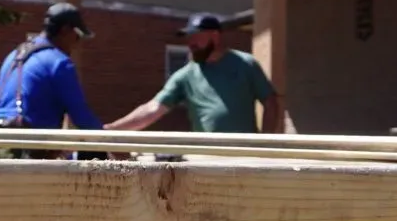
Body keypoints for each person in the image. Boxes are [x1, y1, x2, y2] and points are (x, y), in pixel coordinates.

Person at [110, 13, 285, 134]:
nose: (191, 43)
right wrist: (111, 129)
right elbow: (153, 109)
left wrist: (265, 141)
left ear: (215, 36)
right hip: (206, 155)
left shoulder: (246, 64)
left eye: (196, 36)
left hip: (246, 154)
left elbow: (270, 102)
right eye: (189, 37)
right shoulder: (186, 76)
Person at [0, 3, 104, 151]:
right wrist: (111, 144)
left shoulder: (13, 56)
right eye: (77, 36)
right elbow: (83, 119)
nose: (77, 44)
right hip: (27, 150)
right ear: (65, 30)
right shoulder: (59, 62)